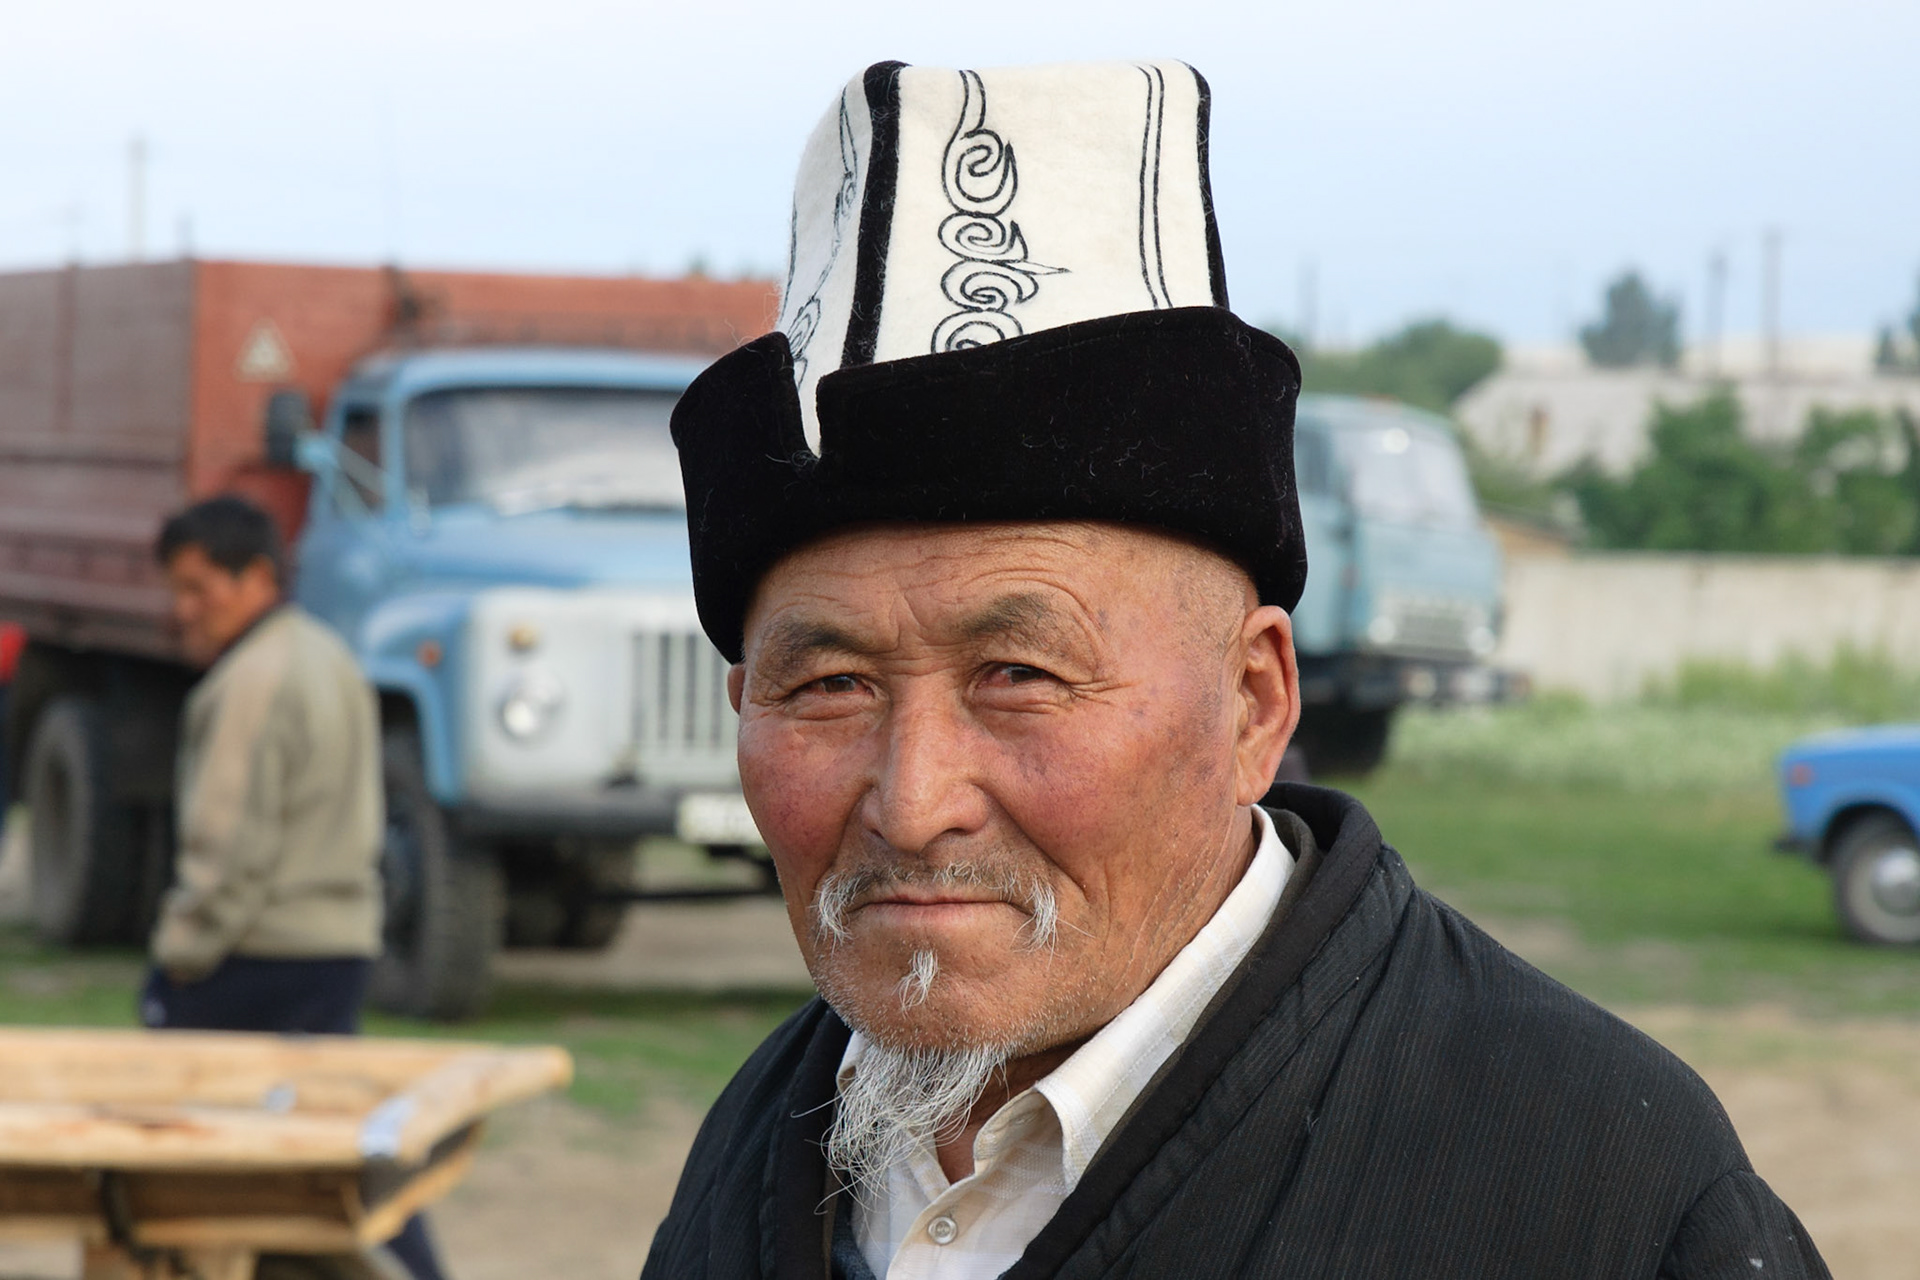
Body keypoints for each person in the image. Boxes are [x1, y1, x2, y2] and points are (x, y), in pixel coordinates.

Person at [642, 61, 1830, 1279]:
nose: (914, 798)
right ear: (744, 704)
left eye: (1019, 672)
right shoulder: (763, 1147)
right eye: (829, 684)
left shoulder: (1601, 1192)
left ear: (1254, 700)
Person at [145, 495, 447, 1280]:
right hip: (334, 946)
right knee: (332, 1147)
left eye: (197, 588)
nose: (183, 611)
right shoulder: (324, 652)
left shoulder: (251, 679)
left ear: (254, 578)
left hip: (256, 955)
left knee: (187, 1159)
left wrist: (180, 957)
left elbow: (227, 850)